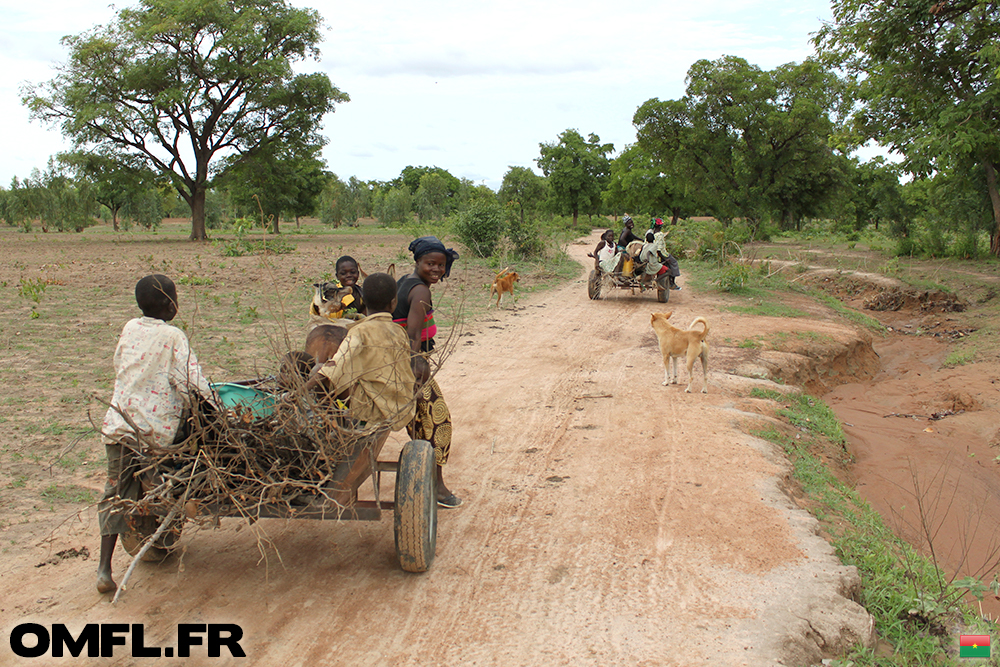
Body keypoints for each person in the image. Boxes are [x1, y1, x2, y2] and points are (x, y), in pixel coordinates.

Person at [97, 274, 213, 594]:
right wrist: (214, 401)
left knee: (115, 493)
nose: (177, 302)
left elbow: (120, 363)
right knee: (171, 473)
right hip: (155, 432)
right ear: (167, 304)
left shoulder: (130, 328)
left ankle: (104, 568)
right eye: (175, 297)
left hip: (120, 425)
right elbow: (189, 380)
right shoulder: (174, 336)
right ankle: (163, 521)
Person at [392, 236, 463, 508]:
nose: (436, 269)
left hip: (398, 363)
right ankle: (437, 488)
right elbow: (412, 334)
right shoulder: (420, 291)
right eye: (430, 263)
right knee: (438, 424)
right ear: (417, 262)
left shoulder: (405, 282)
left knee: (421, 424)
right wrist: (416, 366)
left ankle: (429, 479)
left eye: (441, 265)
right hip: (409, 365)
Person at [309, 273, 416, 430]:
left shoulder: (361, 331)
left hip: (376, 409)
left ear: (363, 301)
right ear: (394, 303)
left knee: (320, 371)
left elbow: (335, 367)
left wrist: (300, 392)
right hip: (400, 405)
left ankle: (334, 424)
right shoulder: (399, 331)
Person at [650, 218, 682, 290]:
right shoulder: (660, 235)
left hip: (650, 254)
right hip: (661, 254)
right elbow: (658, 249)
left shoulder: (650, 233)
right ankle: (672, 283)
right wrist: (665, 259)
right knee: (673, 262)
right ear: (660, 226)